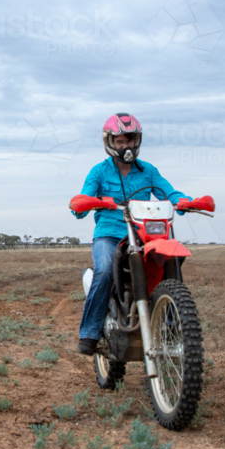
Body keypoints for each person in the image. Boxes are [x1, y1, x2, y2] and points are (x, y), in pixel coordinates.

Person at [70, 113, 191, 355]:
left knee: (171, 261)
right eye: (120, 141)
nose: (126, 146)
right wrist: (84, 203)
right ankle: (90, 334)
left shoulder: (148, 170)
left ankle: (170, 325)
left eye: (130, 140)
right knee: (104, 270)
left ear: (137, 141)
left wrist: (186, 202)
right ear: (110, 143)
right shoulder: (99, 172)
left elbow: (169, 192)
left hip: (142, 233)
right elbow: (82, 202)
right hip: (110, 234)